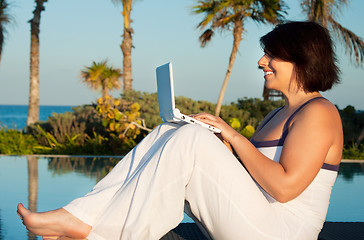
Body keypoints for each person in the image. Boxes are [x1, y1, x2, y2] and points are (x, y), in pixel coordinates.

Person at [17, 21, 343, 240]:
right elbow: (251, 175)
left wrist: (231, 136)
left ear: (301, 60)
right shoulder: (278, 113)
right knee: (172, 132)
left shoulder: (319, 112)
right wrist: (216, 143)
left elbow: (284, 188)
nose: (261, 61)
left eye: (272, 55)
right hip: (256, 220)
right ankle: (81, 216)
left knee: (189, 139)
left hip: (281, 232)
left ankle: (95, 231)